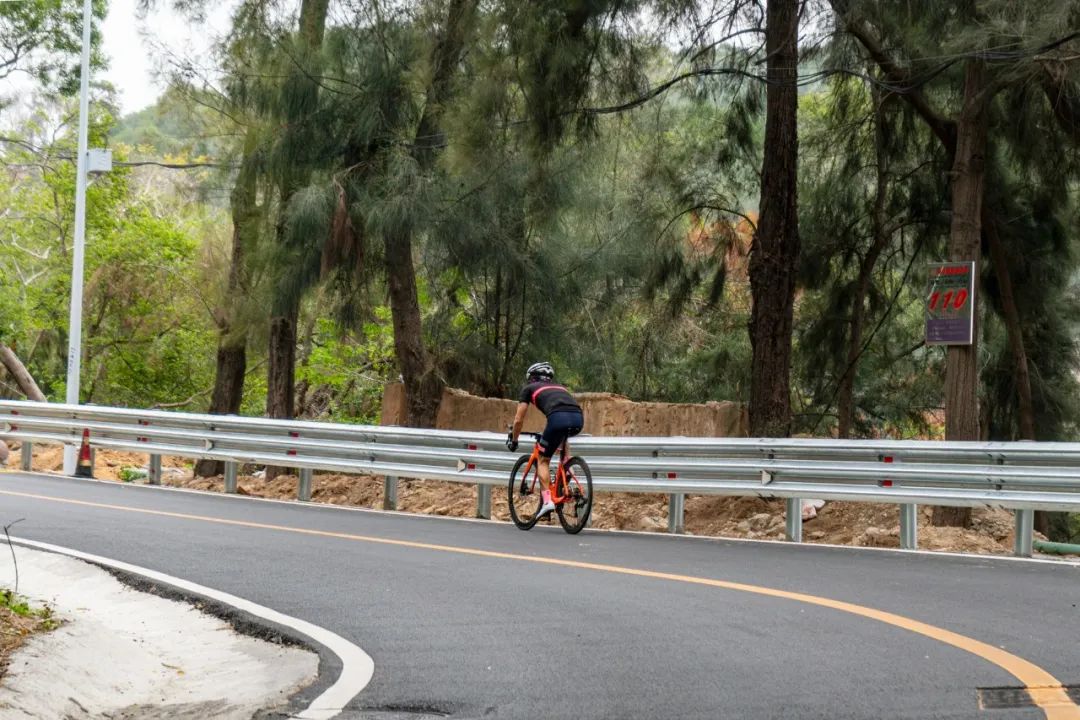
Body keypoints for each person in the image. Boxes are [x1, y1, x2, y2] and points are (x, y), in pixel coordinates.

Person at [506, 361, 584, 518]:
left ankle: (548, 501)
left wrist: (514, 440)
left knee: (543, 460)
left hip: (557, 419)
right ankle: (568, 467)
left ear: (532, 378)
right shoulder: (560, 388)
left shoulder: (529, 389)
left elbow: (518, 420)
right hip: (578, 418)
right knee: (562, 436)